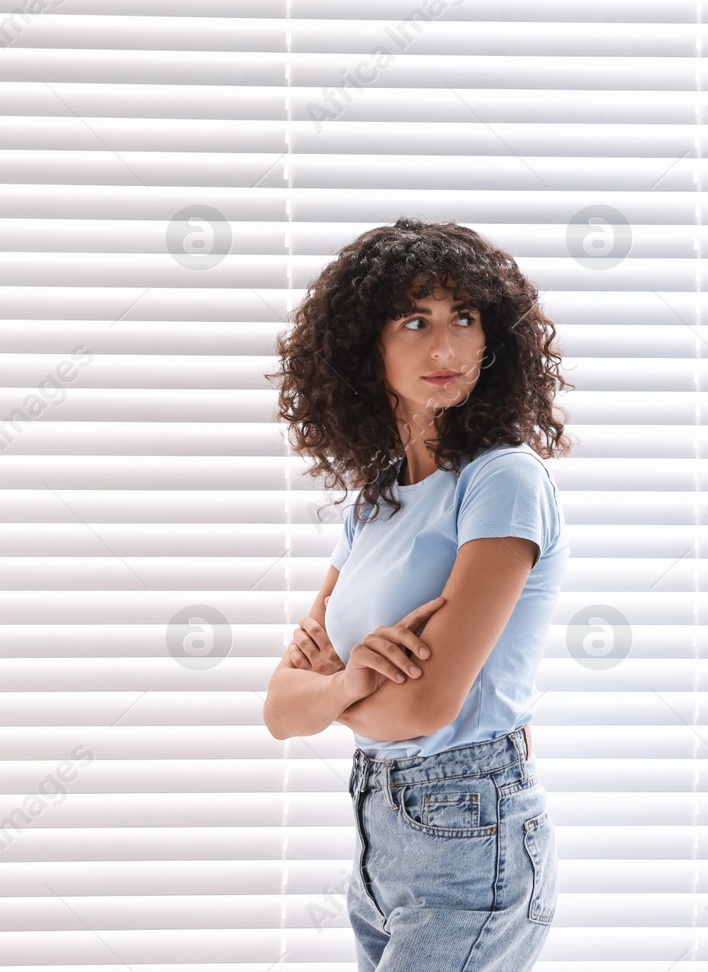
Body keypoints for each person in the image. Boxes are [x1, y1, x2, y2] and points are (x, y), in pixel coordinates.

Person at [261, 217, 572, 970]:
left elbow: (428, 705)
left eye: (465, 318)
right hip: (380, 834)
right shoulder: (376, 501)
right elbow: (278, 709)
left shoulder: (502, 479)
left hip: (470, 828)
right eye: (415, 321)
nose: (445, 348)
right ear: (364, 345)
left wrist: (336, 684)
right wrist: (357, 678)